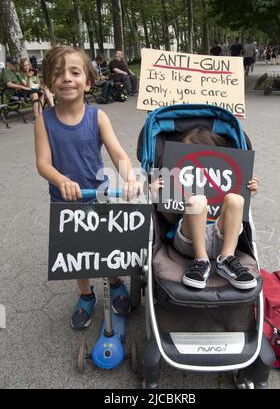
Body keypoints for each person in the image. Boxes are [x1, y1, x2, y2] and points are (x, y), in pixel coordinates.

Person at [34, 46, 141, 330]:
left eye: (74, 72)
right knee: (77, 253)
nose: (66, 78)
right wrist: (62, 181)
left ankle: (115, 282)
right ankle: (85, 294)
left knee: (106, 248)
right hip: (65, 201)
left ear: (89, 81)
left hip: (100, 195)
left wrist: (129, 179)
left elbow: (118, 154)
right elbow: (43, 163)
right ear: (49, 83)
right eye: (58, 74)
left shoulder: (98, 118)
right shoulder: (44, 121)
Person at [151, 128, 260, 291]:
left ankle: (226, 258)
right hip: (189, 240)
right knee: (197, 201)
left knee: (236, 200)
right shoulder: (175, 180)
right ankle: (201, 259)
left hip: (224, 237)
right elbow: (169, 219)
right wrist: (156, 195)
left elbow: (238, 212)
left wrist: (248, 190)